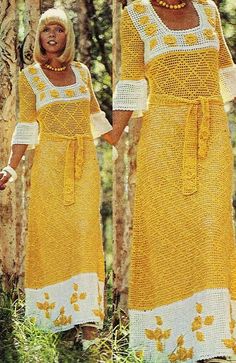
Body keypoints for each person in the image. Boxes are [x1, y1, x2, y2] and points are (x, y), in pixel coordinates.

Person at [112, 0, 236, 362]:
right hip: (162, 137)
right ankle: (168, 342)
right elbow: (131, 81)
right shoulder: (134, 15)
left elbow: (227, 74)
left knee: (212, 228)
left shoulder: (209, 9)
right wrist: (107, 135)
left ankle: (213, 343)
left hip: (211, 133)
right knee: (168, 231)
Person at [0, 8, 113, 350]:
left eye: (58, 30)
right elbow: (25, 127)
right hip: (48, 165)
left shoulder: (82, 73)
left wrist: (125, 131)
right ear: (39, 38)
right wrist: (10, 166)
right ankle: (51, 320)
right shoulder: (30, 77)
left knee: (85, 235)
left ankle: (88, 322)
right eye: (46, 30)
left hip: (84, 168)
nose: (51, 35)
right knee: (51, 236)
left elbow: (96, 118)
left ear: (68, 37)